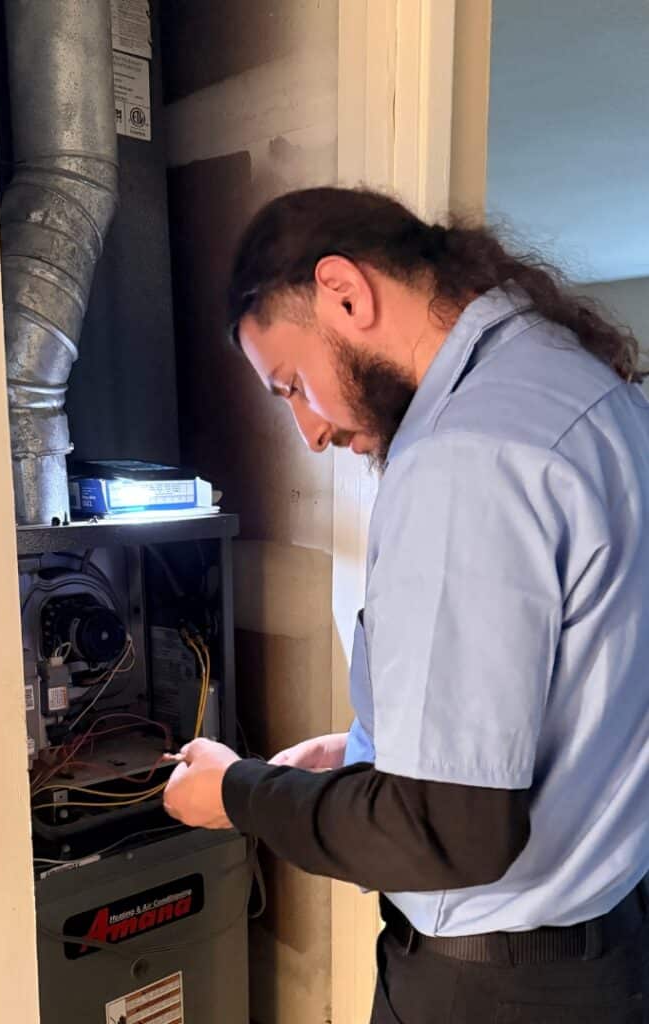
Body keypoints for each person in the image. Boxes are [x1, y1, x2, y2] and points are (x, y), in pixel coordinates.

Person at [163, 187, 649, 1022]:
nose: (308, 432)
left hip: (493, 990)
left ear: (344, 294)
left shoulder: (465, 457)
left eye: (290, 385)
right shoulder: (587, 394)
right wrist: (367, 750)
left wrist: (237, 793)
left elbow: (446, 831)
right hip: (601, 948)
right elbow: (562, 690)